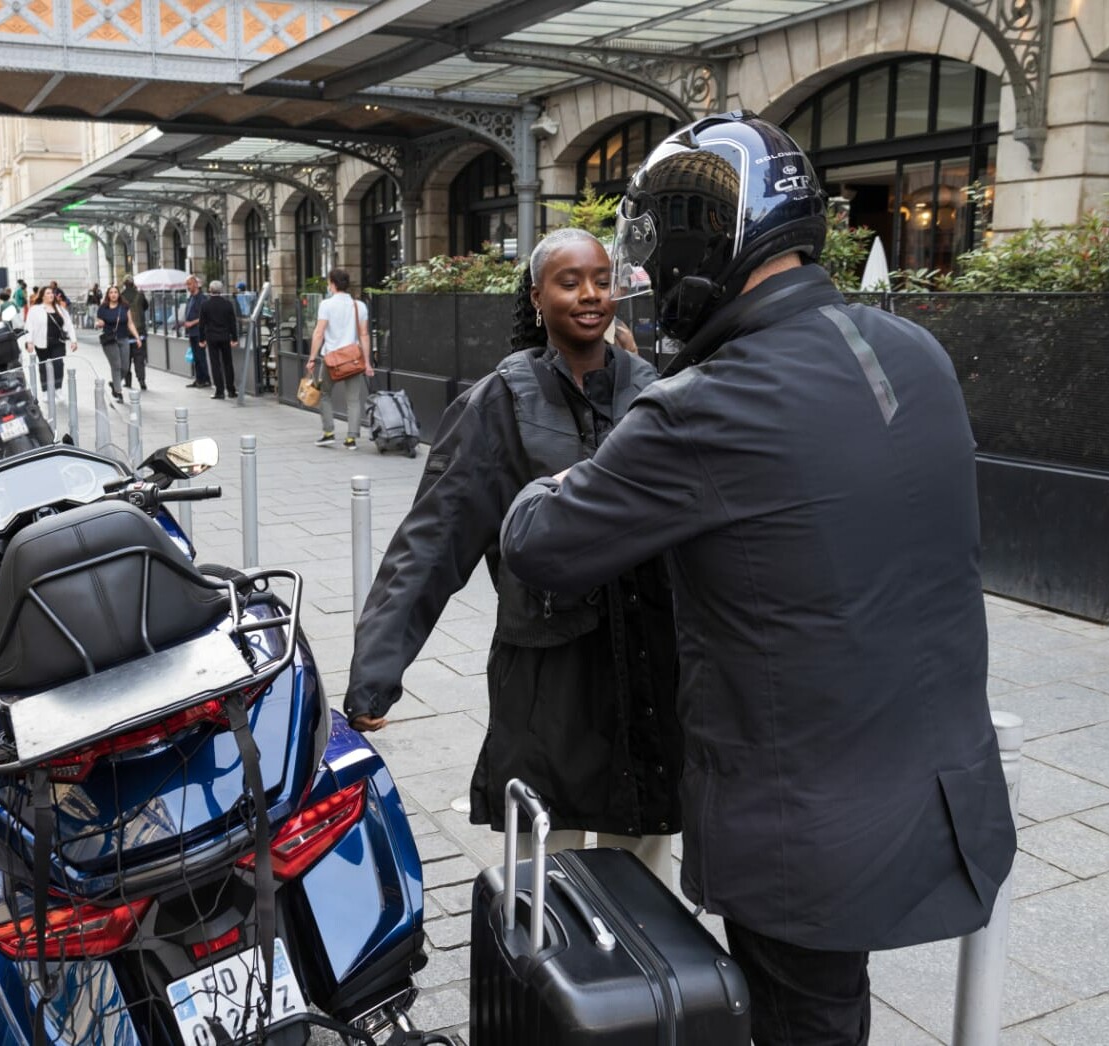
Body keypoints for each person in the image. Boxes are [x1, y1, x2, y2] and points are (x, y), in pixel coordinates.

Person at [498, 112, 1017, 1046]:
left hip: (801, 827)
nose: (646, 285)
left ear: (706, 244)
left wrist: (561, 464)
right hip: (941, 784)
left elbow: (542, 540)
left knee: (801, 1020)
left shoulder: (704, 405)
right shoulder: (916, 354)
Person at [344, 228, 681, 881]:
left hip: (645, 676)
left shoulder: (653, 391)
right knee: (546, 882)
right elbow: (433, 539)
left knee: (646, 878)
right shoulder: (502, 401)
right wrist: (375, 673)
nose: (590, 294)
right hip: (549, 676)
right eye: (569, 280)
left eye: (600, 279)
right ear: (536, 296)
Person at [305, 269, 373, 449]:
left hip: (331, 359)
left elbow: (319, 332)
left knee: (325, 394)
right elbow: (364, 335)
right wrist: (367, 362)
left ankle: (328, 433)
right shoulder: (359, 306)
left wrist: (312, 357)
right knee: (353, 400)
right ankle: (351, 439)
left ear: (332, 284)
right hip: (353, 359)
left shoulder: (326, 305)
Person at [24, 284, 77, 394]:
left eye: (52, 293)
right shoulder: (35, 309)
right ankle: (45, 390)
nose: (51, 295)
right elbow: (29, 326)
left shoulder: (60, 308)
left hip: (58, 342)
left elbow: (69, 324)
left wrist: (73, 340)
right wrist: (29, 341)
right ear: (42, 296)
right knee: (43, 366)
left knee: (58, 364)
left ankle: (58, 389)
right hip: (41, 342)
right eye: (48, 293)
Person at [94, 283, 139, 402]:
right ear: (108, 295)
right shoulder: (103, 308)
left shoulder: (124, 307)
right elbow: (98, 322)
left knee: (125, 367)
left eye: (115, 292)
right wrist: (98, 324)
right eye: (111, 292)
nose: (113, 295)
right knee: (116, 366)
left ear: (119, 294)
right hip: (109, 341)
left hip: (124, 338)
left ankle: (115, 384)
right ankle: (118, 392)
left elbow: (130, 323)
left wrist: (137, 337)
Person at [198, 279, 239, 400]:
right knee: (228, 363)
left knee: (215, 364)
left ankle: (219, 391)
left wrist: (202, 340)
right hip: (225, 337)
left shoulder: (205, 305)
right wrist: (234, 338)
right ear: (221, 290)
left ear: (210, 290)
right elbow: (232, 323)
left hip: (212, 337)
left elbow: (202, 324)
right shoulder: (227, 304)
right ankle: (231, 390)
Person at [119, 276, 149, 391]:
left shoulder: (120, 297)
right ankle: (142, 381)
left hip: (125, 334)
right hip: (139, 333)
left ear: (124, 284)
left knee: (125, 359)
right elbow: (145, 307)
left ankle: (128, 382)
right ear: (133, 284)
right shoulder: (140, 295)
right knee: (139, 359)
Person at [182, 274, 211, 389]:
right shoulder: (191, 298)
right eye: (187, 285)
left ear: (195, 284)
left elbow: (204, 316)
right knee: (195, 357)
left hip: (199, 332)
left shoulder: (202, 298)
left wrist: (191, 323)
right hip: (192, 332)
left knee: (200, 356)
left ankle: (205, 380)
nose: (188, 287)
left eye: (189, 284)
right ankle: (199, 379)